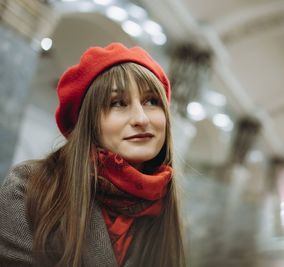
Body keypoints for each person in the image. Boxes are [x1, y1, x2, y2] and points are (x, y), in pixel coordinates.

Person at [0, 43, 186, 267]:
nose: (142, 118)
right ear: (89, 124)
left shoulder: (164, 208)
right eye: (118, 103)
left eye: (151, 102)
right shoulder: (31, 186)